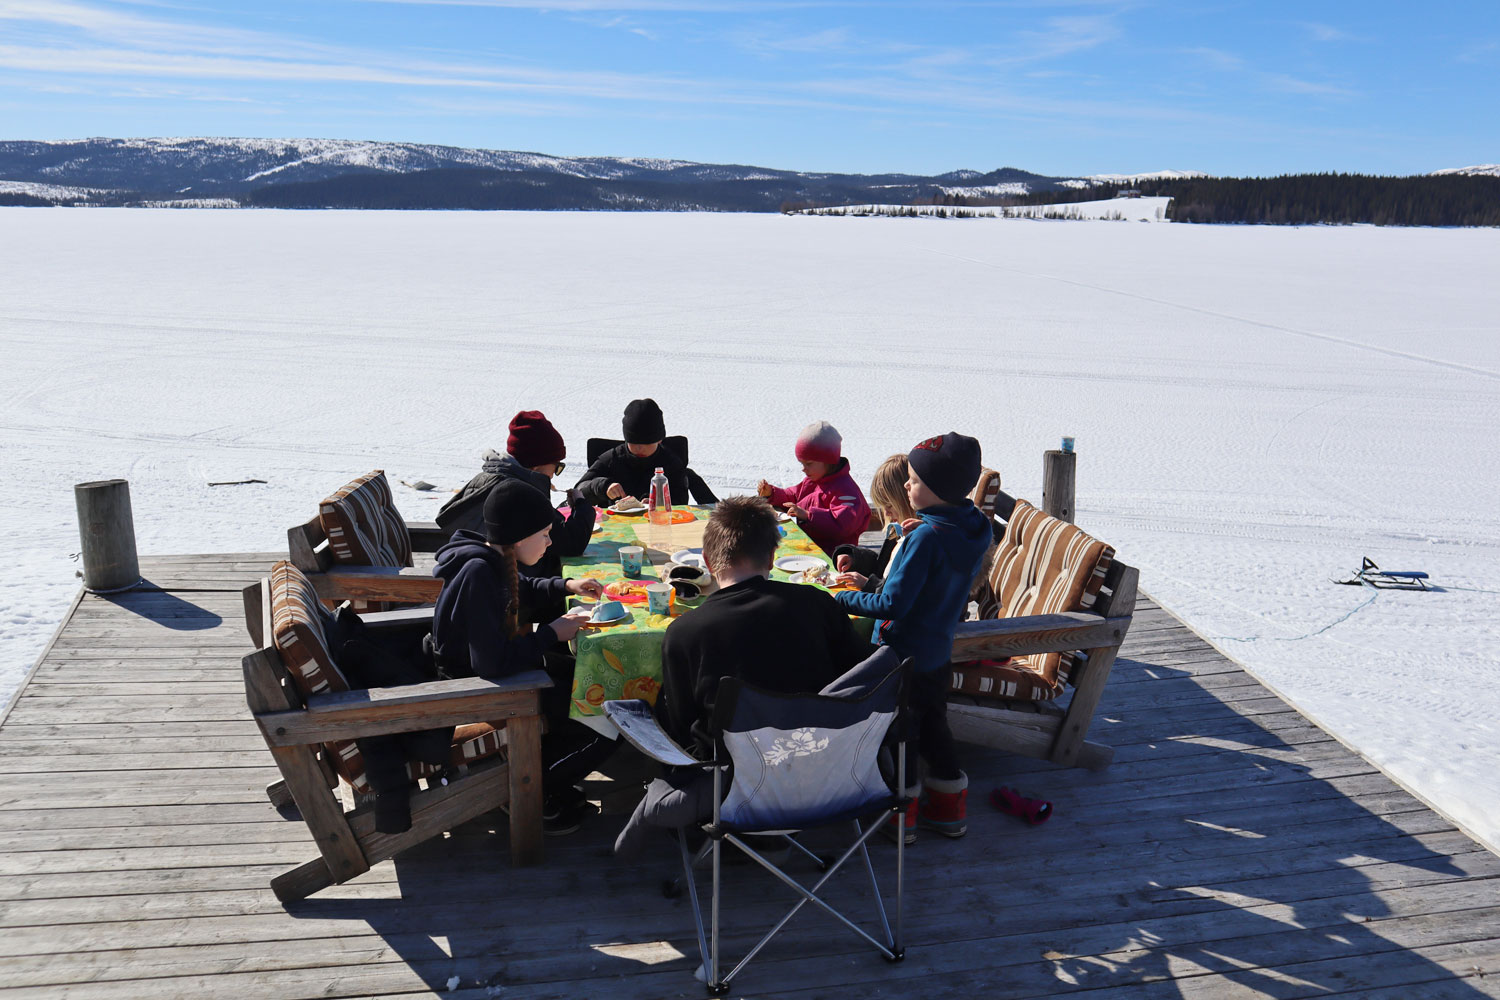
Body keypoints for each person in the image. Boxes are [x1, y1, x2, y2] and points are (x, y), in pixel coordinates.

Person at [613, 496, 871, 858]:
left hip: (736, 787)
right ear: (771, 559)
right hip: (827, 774)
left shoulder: (686, 632)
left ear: (706, 562)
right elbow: (859, 680)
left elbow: (682, 727)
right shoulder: (818, 603)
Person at [429, 480, 613, 834]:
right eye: (544, 534)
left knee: (584, 676)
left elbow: (524, 587)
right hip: (475, 691)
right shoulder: (479, 574)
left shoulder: (491, 560)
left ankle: (548, 771)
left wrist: (566, 586)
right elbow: (490, 664)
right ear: (518, 537)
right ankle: (533, 790)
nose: (549, 541)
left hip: (498, 672)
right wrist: (550, 633)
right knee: (601, 710)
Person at [833, 433, 991, 842]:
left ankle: (902, 818)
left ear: (938, 488)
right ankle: (949, 810)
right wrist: (924, 528)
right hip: (937, 653)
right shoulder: (973, 525)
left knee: (899, 732)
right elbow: (943, 559)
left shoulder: (925, 537)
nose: (907, 486)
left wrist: (842, 598)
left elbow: (893, 603)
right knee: (935, 725)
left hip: (901, 655)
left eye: (915, 480)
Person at [436, 410, 596, 620]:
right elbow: (571, 542)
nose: (555, 472)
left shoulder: (493, 476)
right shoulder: (520, 492)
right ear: (537, 465)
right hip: (513, 591)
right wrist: (582, 506)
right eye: (556, 466)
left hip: (512, 578)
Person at [756, 421, 871, 555]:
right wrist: (772, 493)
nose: (804, 469)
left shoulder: (846, 490)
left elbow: (843, 525)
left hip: (834, 556)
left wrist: (808, 515)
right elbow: (793, 496)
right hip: (810, 547)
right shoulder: (813, 480)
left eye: (809, 464)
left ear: (828, 460)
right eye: (802, 463)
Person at [575, 398, 690, 508]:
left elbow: (681, 500)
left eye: (647, 443)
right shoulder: (611, 459)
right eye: (634, 443)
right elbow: (577, 492)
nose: (640, 448)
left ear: (659, 440)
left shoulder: (671, 461)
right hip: (615, 525)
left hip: (658, 522)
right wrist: (602, 487)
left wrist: (659, 502)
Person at [832, 453, 914, 593]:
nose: (886, 513)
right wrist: (854, 558)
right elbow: (882, 567)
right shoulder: (897, 531)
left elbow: (898, 595)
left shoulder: (918, 539)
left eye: (889, 505)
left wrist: (868, 584)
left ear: (905, 500)